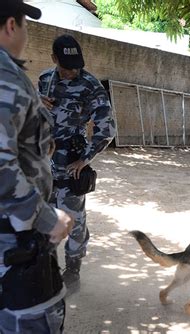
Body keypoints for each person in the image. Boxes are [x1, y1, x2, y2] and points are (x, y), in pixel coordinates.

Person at [0, 1, 74, 332]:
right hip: (14, 241)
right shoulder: (6, 79)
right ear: (10, 26)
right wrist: (44, 217)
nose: (27, 34)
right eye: (26, 25)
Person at [38, 34, 116, 289]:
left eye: (76, 66)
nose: (73, 71)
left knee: (73, 218)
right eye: (66, 66)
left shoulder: (91, 86)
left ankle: (73, 271)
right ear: (54, 59)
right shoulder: (44, 80)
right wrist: (36, 105)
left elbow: (106, 129)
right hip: (43, 163)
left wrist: (85, 159)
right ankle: (44, 266)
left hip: (71, 162)